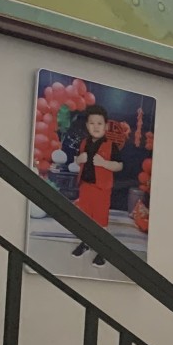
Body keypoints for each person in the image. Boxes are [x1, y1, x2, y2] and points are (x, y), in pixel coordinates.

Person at [69, 105, 121, 268]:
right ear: (87, 125)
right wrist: (79, 159)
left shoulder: (111, 145)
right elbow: (77, 160)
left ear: (106, 126)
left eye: (99, 123)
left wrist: (104, 163)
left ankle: (103, 250)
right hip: (85, 186)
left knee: (101, 220)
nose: (96, 127)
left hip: (101, 189)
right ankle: (86, 243)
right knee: (85, 218)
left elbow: (119, 165)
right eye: (92, 123)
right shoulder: (84, 143)